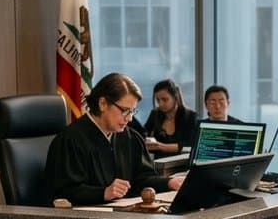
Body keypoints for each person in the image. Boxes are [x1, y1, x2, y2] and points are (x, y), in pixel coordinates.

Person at [45, 73, 180, 205]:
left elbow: (143, 179)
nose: (129, 118)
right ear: (103, 104)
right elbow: (63, 193)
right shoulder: (70, 140)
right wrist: (103, 193)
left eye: (132, 111)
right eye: (125, 110)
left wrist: (169, 182)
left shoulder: (130, 137)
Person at [142, 79, 200, 155]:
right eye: (158, 100)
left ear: (175, 97)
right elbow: (143, 134)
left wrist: (161, 146)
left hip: (181, 162)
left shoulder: (190, 116)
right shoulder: (155, 114)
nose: (160, 104)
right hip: (157, 162)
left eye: (165, 100)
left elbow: (191, 145)